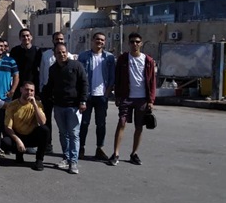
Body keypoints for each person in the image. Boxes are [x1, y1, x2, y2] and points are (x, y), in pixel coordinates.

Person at [109, 32, 156, 167]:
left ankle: (134, 154)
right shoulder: (123, 59)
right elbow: (118, 78)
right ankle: (116, 153)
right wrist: (117, 96)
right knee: (121, 123)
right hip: (126, 97)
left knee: (139, 126)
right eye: (132, 42)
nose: (134, 44)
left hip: (142, 99)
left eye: (137, 42)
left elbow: (152, 81)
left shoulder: (148, 60)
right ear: (128, 43)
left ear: (141, 43)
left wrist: (151, 100)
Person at [43, 43, 88, 174]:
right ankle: (66, 157)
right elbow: (50, 85)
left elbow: (84, 83)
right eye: (58, 52)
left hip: (74, 106)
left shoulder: (76, 65)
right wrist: (41, 96)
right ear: (54, 54)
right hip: (59, 106)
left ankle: (73, 162)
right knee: (63, 133)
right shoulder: (53, 69)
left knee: (74, 134)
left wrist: (83, 101)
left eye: (63, 52)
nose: (61, 54)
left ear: (67, 52)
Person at [76, 32, 115, 160]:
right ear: (92, 40)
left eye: (102, 40)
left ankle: (99, 148)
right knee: (84, 123)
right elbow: (79, 76)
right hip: (87, 95)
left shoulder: (109, 57)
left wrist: (107, 92)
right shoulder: (83, 56)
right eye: (97, 39)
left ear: (105, 42)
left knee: (101, 123)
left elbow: (112, 76)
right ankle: (81, 148)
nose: (100, 42)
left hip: (102, 96)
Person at [38, 32, 73, 153]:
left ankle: (67, 147)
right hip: (47, 91)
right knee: (46, 120)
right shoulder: (46, 55)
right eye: (57, 39)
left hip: (62, 92)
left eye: (61, 39)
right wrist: (41, 89)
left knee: (63, 121)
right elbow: (42, 72)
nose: (59, 41)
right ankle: (48, 144)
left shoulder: (69, 56)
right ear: (53, 40)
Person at [3, 81, 48, 171]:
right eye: (27, 89)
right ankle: (19, 154)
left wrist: (35, 105)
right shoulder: (12, 105)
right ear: (21, 90)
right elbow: (8, 128)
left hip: (31, 135)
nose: (29, 92)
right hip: (18, 135)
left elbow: (42, 122)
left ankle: (39, 160)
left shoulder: (38, 104)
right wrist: (18, 141)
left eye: (32, 90)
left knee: (45, 130)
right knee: (5, 142)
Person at [9, 28, 41, 99]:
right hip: (18, 85)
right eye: (23, 36)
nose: (26, 38)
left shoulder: (37, 51)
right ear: (20, 38)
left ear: (31, 37)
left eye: (27, 35)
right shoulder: (15, 50)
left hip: (33, 84)